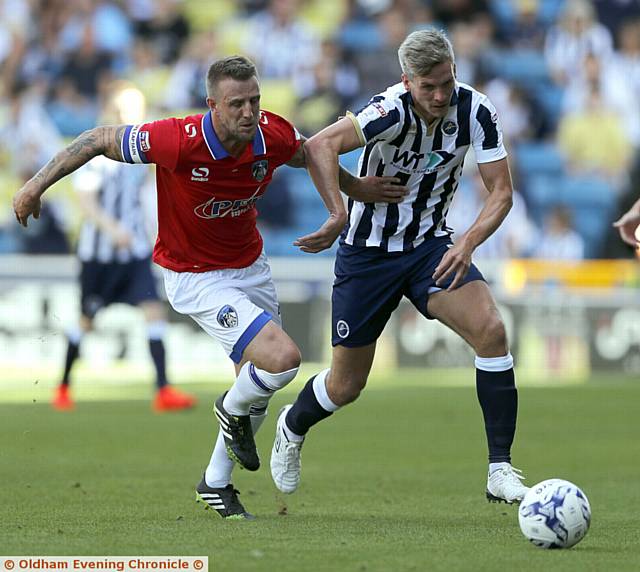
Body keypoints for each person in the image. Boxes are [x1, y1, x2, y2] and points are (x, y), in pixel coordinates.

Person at [13, 55, 407, 519]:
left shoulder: (269, 134)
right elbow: (99, 139)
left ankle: (215, 482)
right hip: (195, 274)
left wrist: (353, 190)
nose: (248, 112)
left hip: (250, 266)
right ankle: (228, 409)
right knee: (282, 362)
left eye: (254, 101)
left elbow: (312, 152)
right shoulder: (178, 140)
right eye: (237, 103)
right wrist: (35, 186)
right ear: (212, 105)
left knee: (255, 391)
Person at [269, 29, 530, 505]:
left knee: (492, 331)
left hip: (430, 247)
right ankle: (292, 423)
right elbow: (319, 147)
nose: (439, 95)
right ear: (406, 80)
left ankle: (500, 470)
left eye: (446, 83)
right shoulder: (388, 109)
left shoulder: (476, 110)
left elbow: (502, 192)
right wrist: (345, 202)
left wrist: (468, 242)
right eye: (428, 86)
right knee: (346, 386)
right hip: (367, 254)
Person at [53, 84, 196, 413]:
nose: (129, 116)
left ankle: (163, 390)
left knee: (154, 312)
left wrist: (158, 234)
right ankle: (62, 386)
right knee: (86, 319)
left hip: (134, 253)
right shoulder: (95, 156)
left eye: (134, 110)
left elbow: (147, 201)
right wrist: (112, 228)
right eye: (123, 110)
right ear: (112, 112)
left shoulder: (142, 158)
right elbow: (86, 203)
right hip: (99, 255)